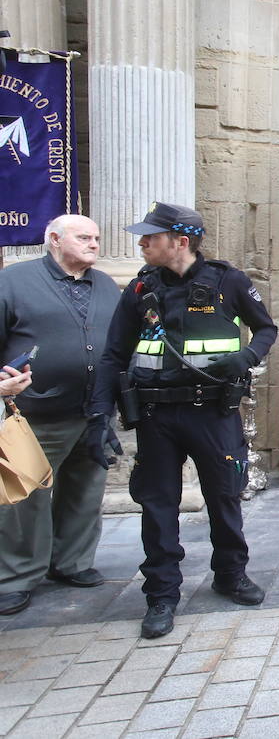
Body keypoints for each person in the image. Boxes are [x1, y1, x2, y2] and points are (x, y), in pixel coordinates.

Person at [88, 203, 278, 639]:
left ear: (181, 240)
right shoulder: (140, 288)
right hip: (156, 415)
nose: (141, 244)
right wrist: (100, 413)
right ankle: (161, 595)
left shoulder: (227, 281)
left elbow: (266, 329)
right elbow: (114, 354)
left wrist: (246, 357)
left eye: (150, 237)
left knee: (225, 496)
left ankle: (230, 574)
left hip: (212, 412)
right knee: (157, 506)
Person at [0, 215, 120, 617]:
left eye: (97, 238)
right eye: (84, 237)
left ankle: (71, 563)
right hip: (36, 412)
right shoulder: (14, 281)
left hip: (93, 412)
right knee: (26, 500)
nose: (94, 244)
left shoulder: (104, 284)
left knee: (85, 491)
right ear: (53, 239)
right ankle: (17, 577)